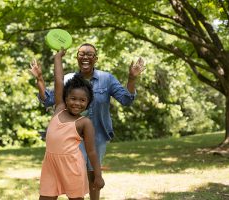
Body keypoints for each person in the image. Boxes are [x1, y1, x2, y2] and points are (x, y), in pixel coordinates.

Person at [30, 43, 145, 200]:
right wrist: (40, 79)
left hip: (96, 133)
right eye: (82, 53)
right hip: (68, 137)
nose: (85, 56)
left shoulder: (106, 79)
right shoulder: (68, 81)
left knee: (92, 174)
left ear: (95, 58)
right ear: (77, 57)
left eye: (90, 54)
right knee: (76, 172)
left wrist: (132, 78)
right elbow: (50, 97)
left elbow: (126, 100)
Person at [31, 49, 105, 200]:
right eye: (73, 98)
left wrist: (98, 176)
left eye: (82, 100)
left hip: (72, 167)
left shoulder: (84, 123)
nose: (77, 103)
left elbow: (91, 152)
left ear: (88, 103)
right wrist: (57, 58)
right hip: (50, 165)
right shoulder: (59, 109)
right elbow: (59, 81)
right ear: (66, 98)